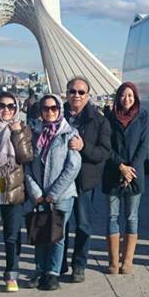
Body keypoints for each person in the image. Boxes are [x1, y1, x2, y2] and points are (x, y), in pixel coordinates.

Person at [25, 94, 81, 291]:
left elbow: (73, 167)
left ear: (60, 110)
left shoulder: (69, 133)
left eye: (54, 108)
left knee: (57, 234)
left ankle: (53, 273)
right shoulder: (34, 133)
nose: (50, 112)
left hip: (62, 194)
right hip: (39, 194)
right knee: (40, 232)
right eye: (45, 108)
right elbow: (27, 166)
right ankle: (39, 269)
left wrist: (53, 193)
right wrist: (36, 192)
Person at [0, 91, 33, 293]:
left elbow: (25, 157)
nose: (6, 110)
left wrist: (17, 133)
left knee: (12, 236)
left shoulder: (23, 128)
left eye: (11, 106)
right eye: (2, 105)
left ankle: (12, 274)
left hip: (13, 190)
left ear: (17, 108)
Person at [60, 77, 111, 283]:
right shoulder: (56, 115)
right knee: (60, 224)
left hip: (84, 181)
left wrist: (84, 148)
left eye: (81, 92)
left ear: (88, 96)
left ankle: (79, 265)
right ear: (66, 94)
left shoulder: (99, 121)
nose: (77, 95)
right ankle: (58, 263)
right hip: (59, 180)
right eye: (72, 91)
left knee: (83, 224)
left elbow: (104, 152)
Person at [102, 82, 149, 275]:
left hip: (135, 175)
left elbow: (143, 146)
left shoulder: (143, 116)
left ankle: (127, 261)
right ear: (118, 97)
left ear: (135, 97)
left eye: (130, 95)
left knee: (131, 216)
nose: (126, 99)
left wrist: (131, 171)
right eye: (123, 95)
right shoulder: (109, 117)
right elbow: (106, 146)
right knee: (112, 216)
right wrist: (121, 167)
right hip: (113, 172)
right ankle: (113, 261)